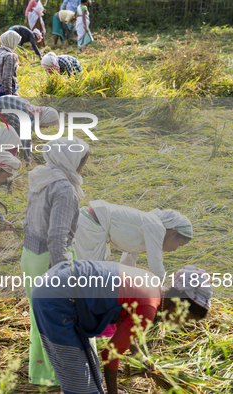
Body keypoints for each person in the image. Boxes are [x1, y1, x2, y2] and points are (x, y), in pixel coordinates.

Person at [32, 262, 212, 394]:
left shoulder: (152, 285)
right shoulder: (149, 307)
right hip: (57, 299)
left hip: (59, 285)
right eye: (188, 318)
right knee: (80, 382)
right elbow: (109, 355)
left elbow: (122, 322)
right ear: (180, 305)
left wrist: (140, 357)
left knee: (93, 373)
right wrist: (113, 392)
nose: (181, 324)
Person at [20, 137, 90, 387]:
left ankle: (39, 371)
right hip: (51, 261)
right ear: (70, 159)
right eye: (81, 161)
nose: (82, 166)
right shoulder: (64, 189)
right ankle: (56, 375)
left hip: (30, 256)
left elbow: (29, 221)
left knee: (38, 314)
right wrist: (64, 277)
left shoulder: (41, 176)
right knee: (59, 318)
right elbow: (57, 237)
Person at [74, 202, 193, 279]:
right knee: (89, 276)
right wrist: (163, 293)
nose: (174, 250)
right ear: (173, 233)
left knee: (88, 276)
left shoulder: (148, 231)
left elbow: (128, 263)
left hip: (91, 223)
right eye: (179, 245)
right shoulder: (156, 226)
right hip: (92, 224)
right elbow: (156, 269)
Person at [0, 95, 60, 163]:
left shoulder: (34, 110)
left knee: (10, 140)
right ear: (45, 119)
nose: (47, 127)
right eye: (48, 124)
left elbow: (20, 130)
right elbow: (26, 142)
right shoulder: (29, 119)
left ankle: (4, 159)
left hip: (0, 109)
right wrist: (28, 161)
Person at [0, 30, 21, 97]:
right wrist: (8, 97)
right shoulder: (9, 56)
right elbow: (7, 79)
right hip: (5, 94)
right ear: (11, 42)